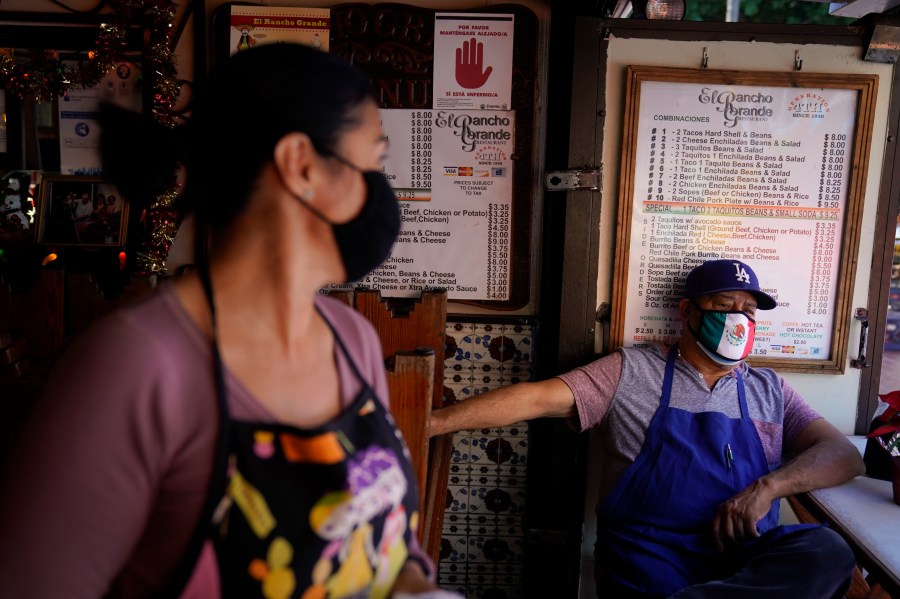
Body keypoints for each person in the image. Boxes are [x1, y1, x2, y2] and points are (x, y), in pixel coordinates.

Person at [0, 43, 460, 599]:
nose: (383, 191)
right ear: (302, 165)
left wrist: (418, 589)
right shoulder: (137, 364)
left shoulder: (351, 339)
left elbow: (386, 546)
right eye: (375, 161)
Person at [431, 258, 865, 598]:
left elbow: (843, 456)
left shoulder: (768, 388)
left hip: (741, 562)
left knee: (828, 550)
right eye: (723, 307)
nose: (738, 319)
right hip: (650, 558)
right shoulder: (633, 370)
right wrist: (434, 422)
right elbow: (539, 398)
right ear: (687, 312)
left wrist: (768, 488)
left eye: (748, 310)